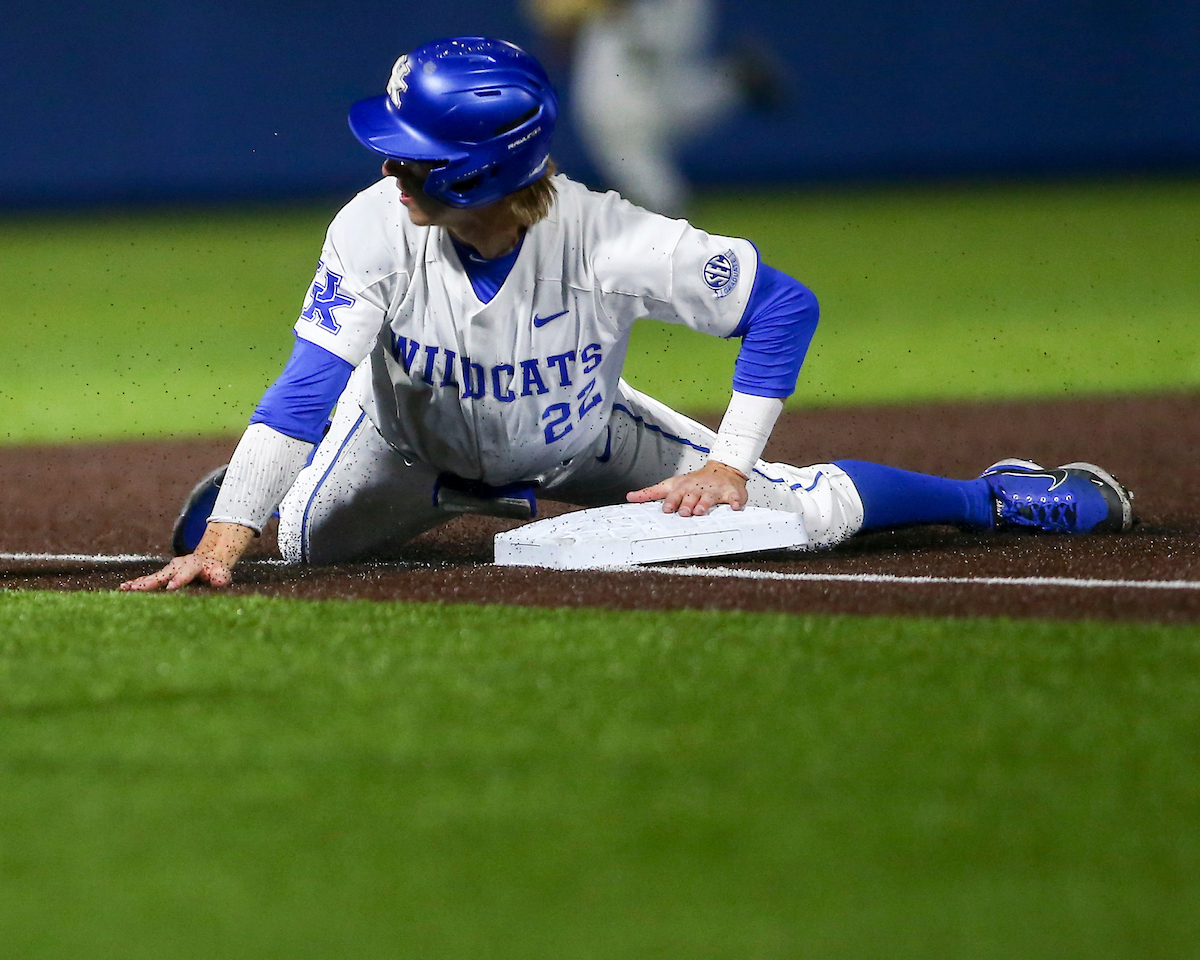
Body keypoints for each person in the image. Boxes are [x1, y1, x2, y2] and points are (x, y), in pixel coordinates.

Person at [121, 37, 1133, 593]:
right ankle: (264, 502)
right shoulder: (372, 226)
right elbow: (308, 386)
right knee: (248, 544)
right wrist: (230, 532)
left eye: (414, 152)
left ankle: (992, 497)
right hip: (397, 451)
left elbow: (784, 306)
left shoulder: (610, 240)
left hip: (587, 439)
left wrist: (730, 463)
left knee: (807, 514)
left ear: (481, 172)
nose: (389, 166)